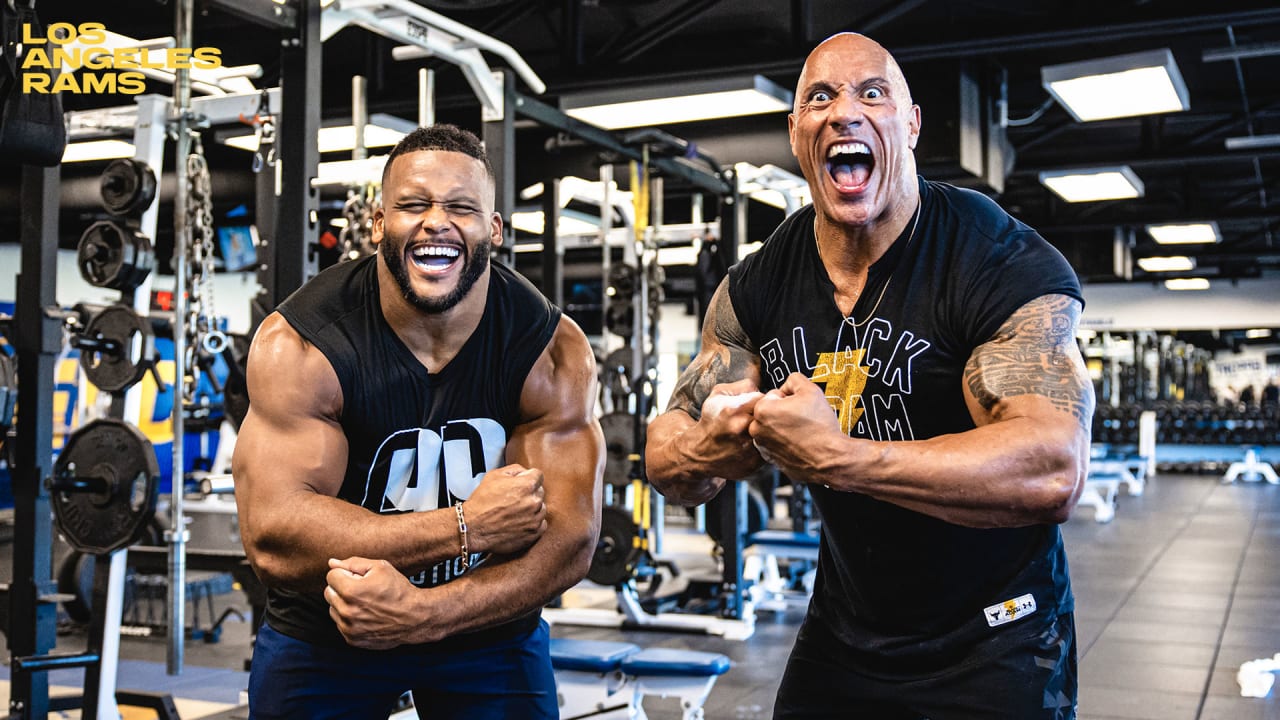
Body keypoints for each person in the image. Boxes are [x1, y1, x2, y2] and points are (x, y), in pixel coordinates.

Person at [646, 33, 1092, 719]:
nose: (843, 113)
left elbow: (1052, 468)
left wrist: (837, 459)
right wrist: (714, 447)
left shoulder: (992, 258)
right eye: (818, 97)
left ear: (910, 125)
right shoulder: (758, 284)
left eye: (872, 93)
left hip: (998, 637)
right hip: (845, 634)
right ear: (795, 133)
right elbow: (665, 454)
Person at [232, 124, 604, 719]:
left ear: (495, 230)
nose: (436, 221)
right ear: (378, 224)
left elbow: (571, 541)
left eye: (461, 207)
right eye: (413, 205)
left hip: (489, 626)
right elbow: (274, 536)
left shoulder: (549, 349)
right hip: (330, 628)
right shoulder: (302, 344)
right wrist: (468, 527)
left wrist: (430, 613)